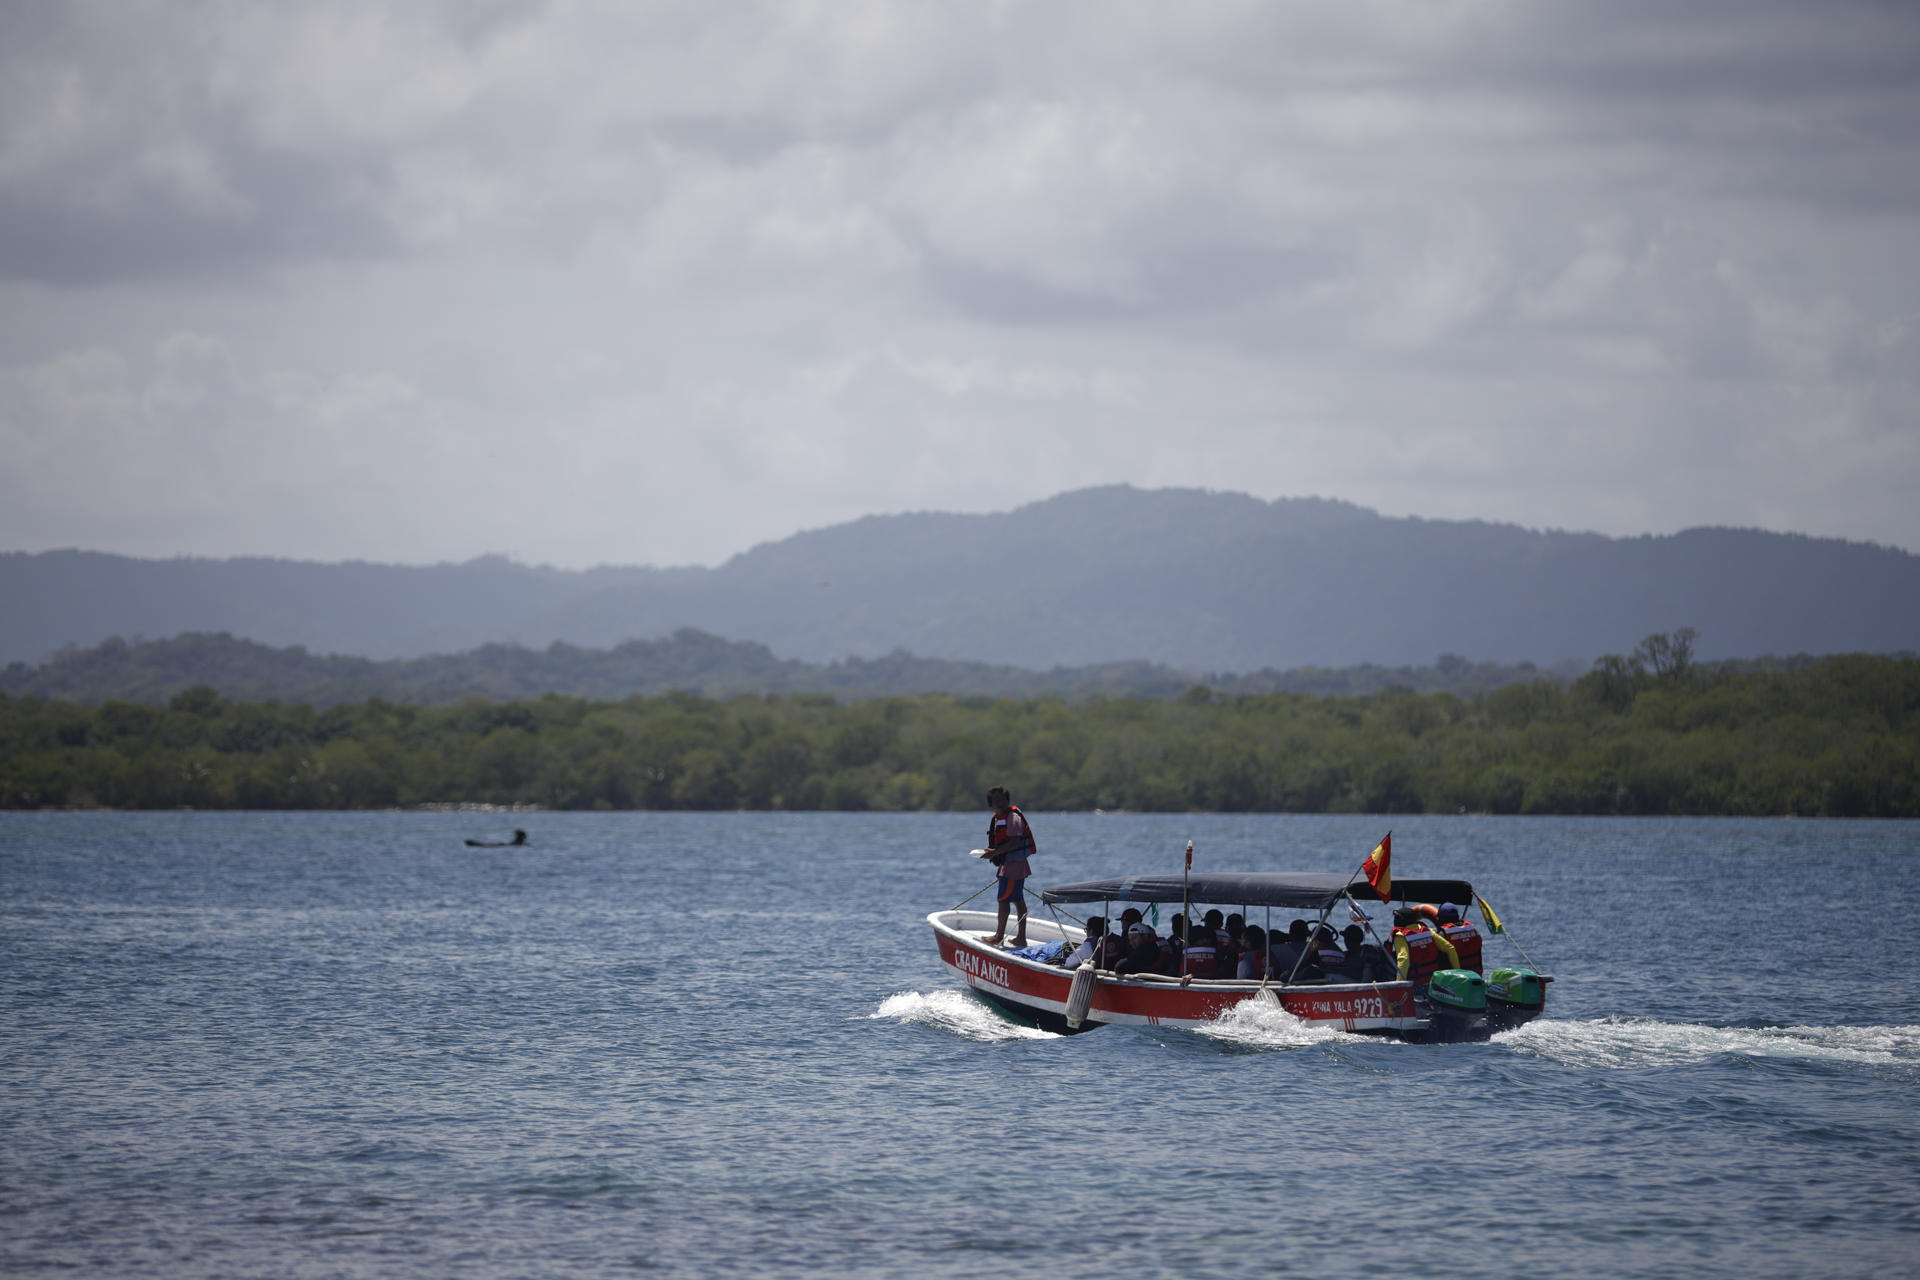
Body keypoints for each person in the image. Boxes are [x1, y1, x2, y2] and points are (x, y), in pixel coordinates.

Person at [979, 785, 1035, 947]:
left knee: (1003, 900)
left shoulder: (1012, 817)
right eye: (995, 801)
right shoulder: (1000, 817)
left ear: (1008, 801)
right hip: (1011, 864)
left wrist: (994, 852)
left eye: (1002, 800)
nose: (999, 803)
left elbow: (1014, 842)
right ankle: (1021, 937)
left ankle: (999, 936)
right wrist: (994, 853)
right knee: (1018, 900)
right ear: (990, 804)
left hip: (1014, 866)